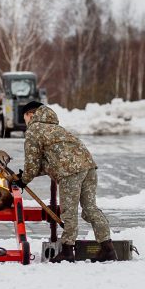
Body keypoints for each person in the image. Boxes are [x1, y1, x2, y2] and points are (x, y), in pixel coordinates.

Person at [16, 100, 116, 262]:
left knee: (68, 212)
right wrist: (28, 175)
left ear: (30, 115)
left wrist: (23, 180)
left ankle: (68, 251)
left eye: (25, 118)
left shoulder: (34, 129)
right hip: (88, 167)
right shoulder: (56, 128)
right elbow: (50, 161)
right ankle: (108, 248)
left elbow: (32, 163)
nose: (26, 122)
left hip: (70, 172)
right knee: (90, 208)